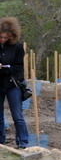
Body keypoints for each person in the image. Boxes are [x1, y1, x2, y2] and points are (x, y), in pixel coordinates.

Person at [0, 17, 29, 149]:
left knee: (17, 115)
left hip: (13, 84)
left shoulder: (17, 47)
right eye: (1, 37)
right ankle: (1, 141)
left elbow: (19, 68)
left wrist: (6, 68)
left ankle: (23, 142)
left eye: (6, 37)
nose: (3, 39)